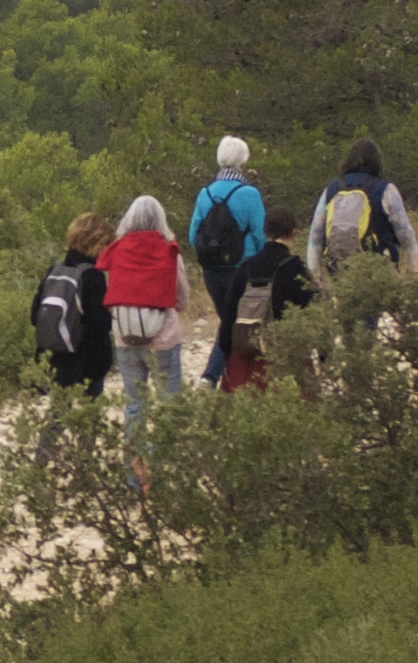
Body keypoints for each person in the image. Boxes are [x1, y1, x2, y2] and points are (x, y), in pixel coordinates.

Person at [99, 206, 186, 449]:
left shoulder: (116, 250)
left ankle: (135, 474)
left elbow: (111, 291)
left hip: (125, 336)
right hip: (163, 338)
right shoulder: (170, 251)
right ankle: (163, 468)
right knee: (169, 403)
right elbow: (181, 296)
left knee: (135, 404)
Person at [190, 140, 266, 385]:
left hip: (211, 271)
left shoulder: (205, 193)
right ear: (243, 163)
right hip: (241, 270)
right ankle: (213, 376)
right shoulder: (249, 194)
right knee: (234, 326)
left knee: (228, 322)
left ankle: (222, 377)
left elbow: (193, 236)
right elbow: (260, 235)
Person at [223, 205, 318, 390]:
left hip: (248, 361)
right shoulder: (296, 268)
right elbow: (314, 311)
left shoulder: (247, 267)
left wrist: (229, 358)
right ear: (294, 233)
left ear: (265, 231)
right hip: (286, 359)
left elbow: (228, 317)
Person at [307, 141, 415, 287]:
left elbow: (315, 237)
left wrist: (316, 276)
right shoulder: (386, 190)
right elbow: (406, 236)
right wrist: (411, 274)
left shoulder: (332, 189)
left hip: (340, 270)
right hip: (380, 271)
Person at [37, 216, 116, 396]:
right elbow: (100, 324)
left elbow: (35, 315)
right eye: (108, 243)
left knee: (60, 415)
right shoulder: (92, 276)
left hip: (54, 358)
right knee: (91, 416)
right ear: (96, 243)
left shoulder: (55, 270)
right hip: (88, 361)